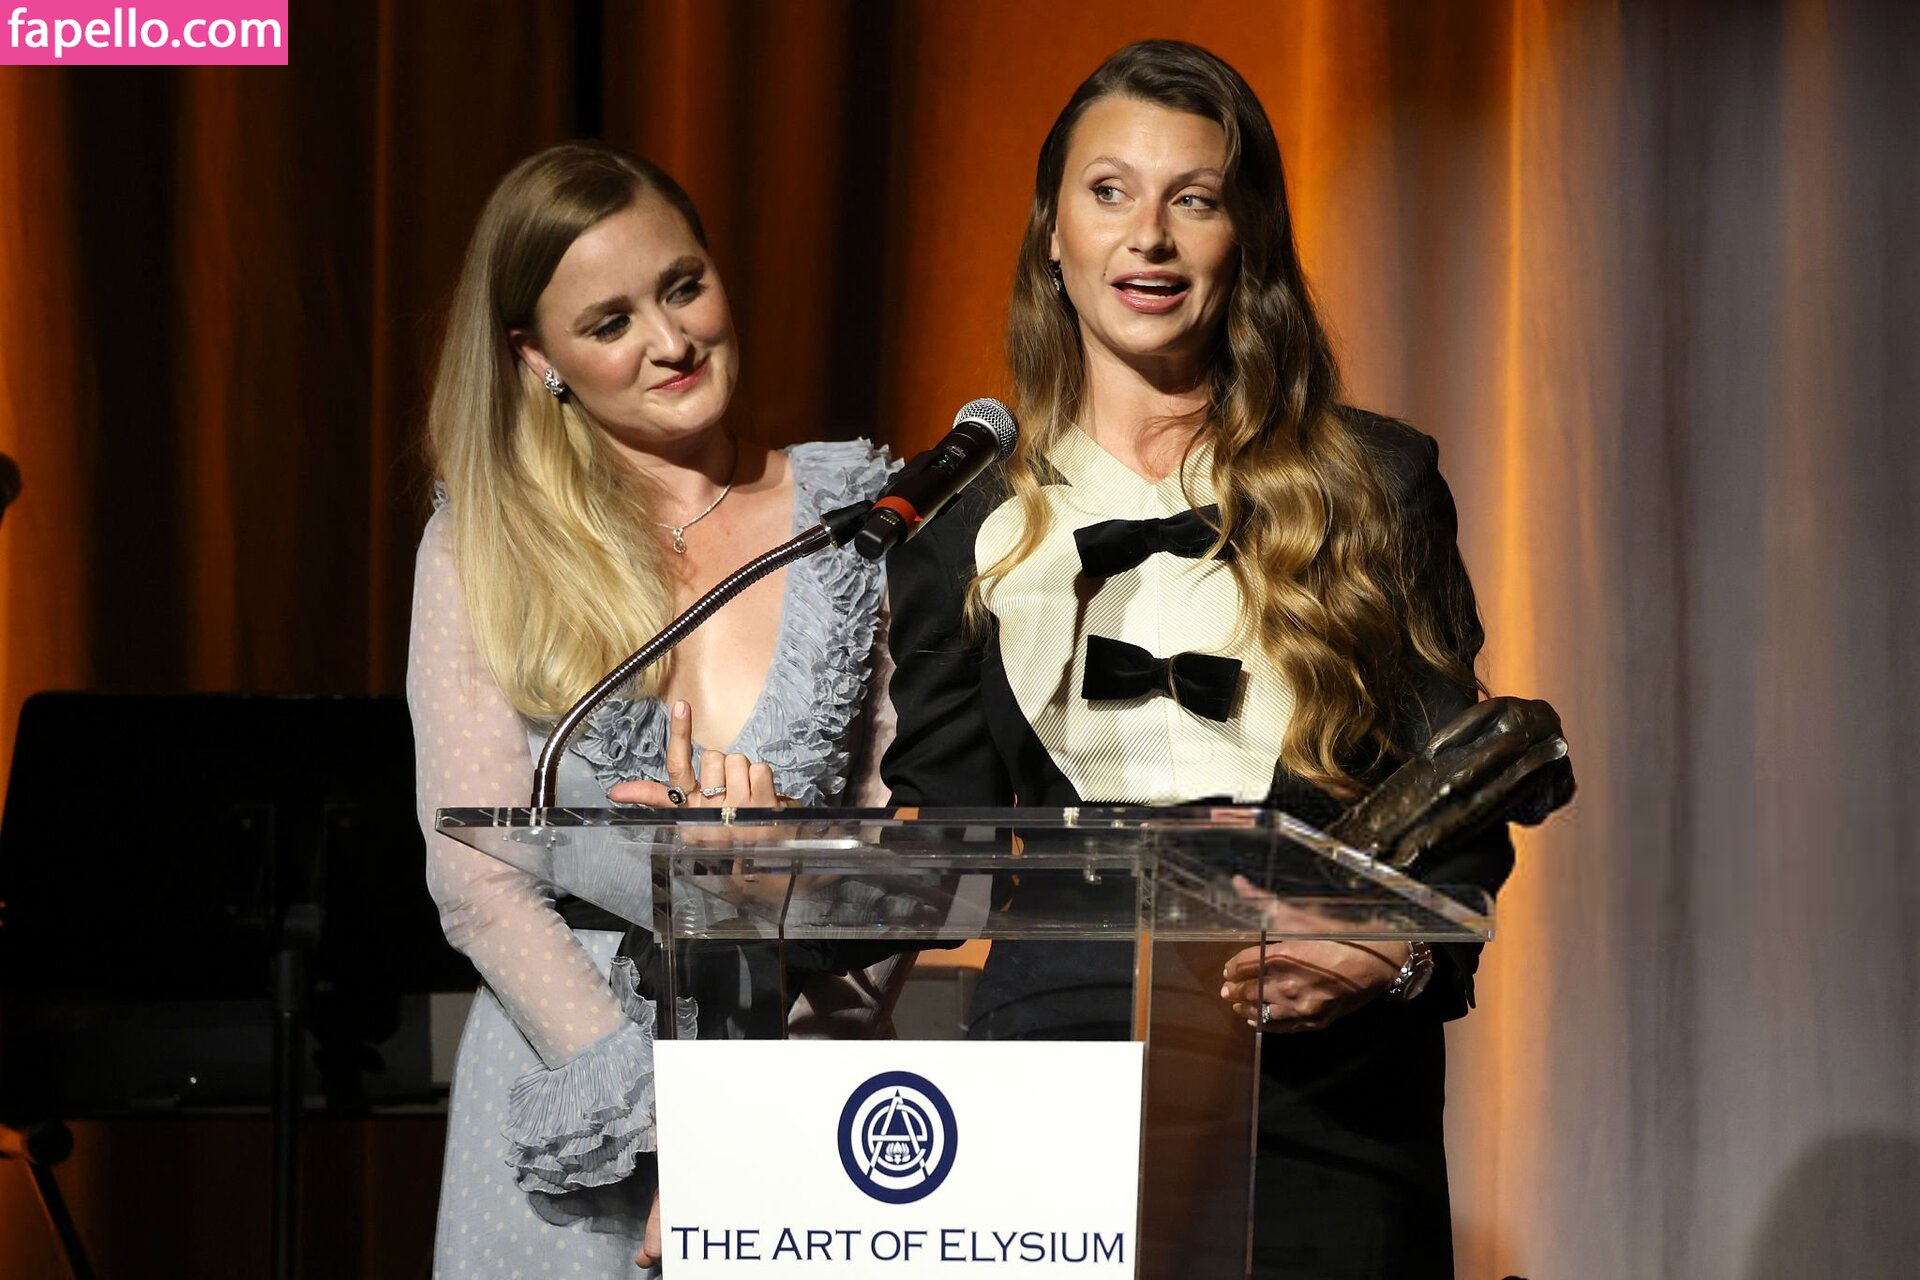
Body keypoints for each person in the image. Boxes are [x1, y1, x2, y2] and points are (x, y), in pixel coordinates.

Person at [882, 41, 1517, 1279]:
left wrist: (1390, 951)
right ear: (1052, 232)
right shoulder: (960, 519)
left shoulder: (1372, 484)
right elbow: (936, 847)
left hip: (1323, 1094)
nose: (1150, 237)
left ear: (1247, 239)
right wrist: (731, 857)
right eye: (1109, 191)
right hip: (1054, 1086)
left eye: (1195, 198)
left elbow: (1464, 800)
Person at [406, 143, 895, 1276]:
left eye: (683, 287)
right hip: (575, 1103)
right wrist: (675, 1121)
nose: (671, 341)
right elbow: (475, 874)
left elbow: (895, 848)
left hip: (803, 1094)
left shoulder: (858, 515)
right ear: (537, 358)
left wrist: (766, 1110)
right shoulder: (483, 544)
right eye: (610, 321)